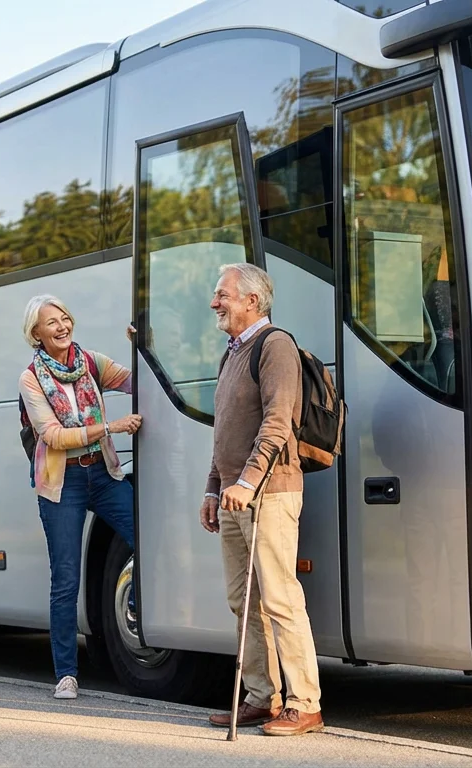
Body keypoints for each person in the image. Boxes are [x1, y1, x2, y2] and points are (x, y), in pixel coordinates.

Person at [201, 263, 324, 737]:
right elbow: (224, 432)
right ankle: (261, 696)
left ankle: (305, 703)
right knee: (243, 600)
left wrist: (248, 483)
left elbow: (277, 422)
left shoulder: (275, 346)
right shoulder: (232, 352)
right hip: (235, 495)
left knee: (279, 597)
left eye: (222, 294)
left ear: (252, 300)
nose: (215, 302)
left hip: (269, 493)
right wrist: (214, 487)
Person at [18, 295, 140, 700]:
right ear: (36, 333)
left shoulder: (89, 361)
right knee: (66, 579)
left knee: (147, 538)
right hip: (62, 482)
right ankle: (66, 674)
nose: (61, 325)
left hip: (101, 475)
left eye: (65, 317)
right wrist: (110, 427)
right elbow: (52, 436)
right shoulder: (31, 378)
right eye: (51, 322)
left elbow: (137, 381)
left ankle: (139, 604)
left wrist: (143, 348)